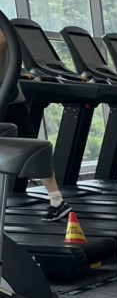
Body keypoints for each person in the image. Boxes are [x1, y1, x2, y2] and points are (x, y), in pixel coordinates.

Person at [0, 32, 71, 222]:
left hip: (9, 96)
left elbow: (4, 41)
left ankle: (57, 201)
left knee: (34, 150)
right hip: (8, 94)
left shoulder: (3, 25)